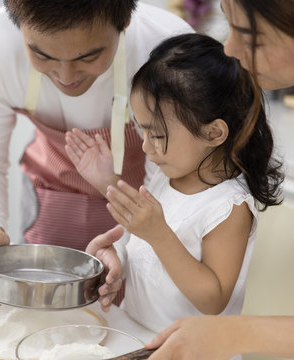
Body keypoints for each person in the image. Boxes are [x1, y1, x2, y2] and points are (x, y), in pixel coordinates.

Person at [86, 0, 294, 358]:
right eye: (142, 131)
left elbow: (213, 299)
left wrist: (159, 234)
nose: (147, 147)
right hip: (139, 340)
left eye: (158, 135)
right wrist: (117, 252)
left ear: (214, 133)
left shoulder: (229, 206)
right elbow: (143, 243)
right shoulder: (167, 175)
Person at [0, 0, 193, 292]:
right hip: (51, 203)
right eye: (42, 55)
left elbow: (176, 187)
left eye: (89, 56)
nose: (66, 78)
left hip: (151, 213)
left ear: (125, 22)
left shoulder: (168, 49)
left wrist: (126, 246)